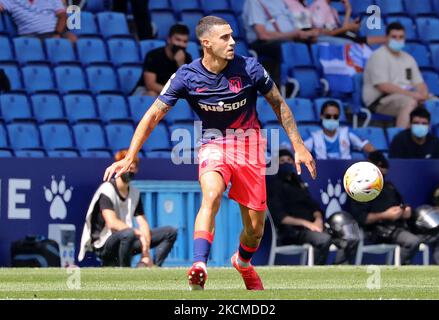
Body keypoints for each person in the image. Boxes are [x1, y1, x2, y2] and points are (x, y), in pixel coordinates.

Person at [103, 16, 316, 290]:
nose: (232, 42)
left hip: (250, 146)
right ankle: (199, 265)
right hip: (214, 144)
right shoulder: (187, 76)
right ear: (206, 43)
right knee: (211, 196)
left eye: (232, 36)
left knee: (254, 231)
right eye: (225, 38)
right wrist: (131, 155)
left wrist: (298, 145)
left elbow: (279, 103)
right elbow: (152, 115)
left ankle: (242, 262)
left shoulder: (249, 68)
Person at [78, 150, 178, 267]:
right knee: (129, 233)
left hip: (128, 239)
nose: (129, 170)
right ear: (117, 168)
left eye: (132, 168)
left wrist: (145, 254)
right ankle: (125, 271)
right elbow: (112, 223)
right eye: (127, 167)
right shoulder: (106, 189)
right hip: (104, 244)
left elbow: (142, 222)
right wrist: (137, 233)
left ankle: (152, 267)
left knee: (170, 232)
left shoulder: (134, 193)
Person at [350, 151, 439, 265]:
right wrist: (385, 215)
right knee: (412, 241)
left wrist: (406, 212)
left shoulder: (389, 187)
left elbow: (402, 205)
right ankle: (403, 273)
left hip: (403, 226)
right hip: (380, 230)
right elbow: (361, 217)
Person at [267, 149, 358, 264]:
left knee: (348, 237)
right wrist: (309, 225)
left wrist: (318, 220)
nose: (286, 163)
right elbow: (280, 217)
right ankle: (318, 274)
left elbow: (314, 206)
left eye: (289, 160)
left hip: (313, 227)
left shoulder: (299, 183)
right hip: (292, 231)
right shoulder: (274, 186)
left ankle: (338, 270)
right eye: (282, 161)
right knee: (323, 239)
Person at [363, 22, 431, 128]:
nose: (398, 40)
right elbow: (383, 86)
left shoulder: (408, 58)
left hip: (404, 95)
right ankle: (401, 140)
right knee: (410, 102)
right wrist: (412, 95)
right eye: (394, 37)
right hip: (380, 100)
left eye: (401, 37)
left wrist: (424, 94)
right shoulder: (378, 56)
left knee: (435, 104)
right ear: (386, 38)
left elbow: (419, 83)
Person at [242, 0, 319, 87]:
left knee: (313, 45)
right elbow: (262, 35)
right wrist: (292, 34)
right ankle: (284, 86)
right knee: (285, 48)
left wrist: (304, 34)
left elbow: (295, 28)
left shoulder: (280, 2)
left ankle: (309, 84)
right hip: (263, 43)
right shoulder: (254, 2)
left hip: (287, 40)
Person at [132, 24, 193, 96]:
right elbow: (150, 84)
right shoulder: (154, 55)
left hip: (171, 93)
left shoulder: (187, 57)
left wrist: (181, 65)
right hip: (146, 90)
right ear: (169, 39)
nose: (181, 44)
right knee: (152, 94)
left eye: (185, 42)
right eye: (178, 40)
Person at [304, 100, 375, 159]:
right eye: (328, 116)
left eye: (335, 116)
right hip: (321, 172)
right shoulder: (314, 137)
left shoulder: (347, 132)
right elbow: (298, 152)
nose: (332, 119)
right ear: (321, 116)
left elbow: (370, 148)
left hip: (346, 172)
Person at [0, 0, 77, 42]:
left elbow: (63, 16)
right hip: (30, 35)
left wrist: (57, 34)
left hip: (55, 32)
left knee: (72, 38)